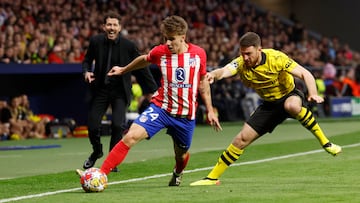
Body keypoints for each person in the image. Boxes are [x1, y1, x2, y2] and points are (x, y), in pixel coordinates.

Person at [77, 15, 222, 186]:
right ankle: (100, 175)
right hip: (161, 108)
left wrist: (210, 110)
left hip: (185, 115)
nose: (167, 43)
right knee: (130, 136)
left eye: (172, 39)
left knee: (181, 154)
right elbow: (144, 59)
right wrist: (124, 69)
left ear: (183, 37)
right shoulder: (160, 52)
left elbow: (203, 82)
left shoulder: (198, 55)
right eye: (165, 39)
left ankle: (178, 173)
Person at [190, 32, 342, 186]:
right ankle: (212, 178)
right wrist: (213, 75)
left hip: (289, 95)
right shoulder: (241, 62)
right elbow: (224, 70)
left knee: (292, 106)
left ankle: (326, 143)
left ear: (259, 50)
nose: (245, 58)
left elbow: (305, 73)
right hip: (269, 104)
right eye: (242, 54)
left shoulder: (276, 58)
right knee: (240, 140)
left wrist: (313, 93)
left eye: (249, 54)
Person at [81, 11, 158, 172]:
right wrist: (87, 71)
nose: (111, 28)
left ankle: (111, 160)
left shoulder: (128, 46)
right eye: (109, 24)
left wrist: (154, 90)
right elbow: (87, 60)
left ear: (120, 27)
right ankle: (97, 151)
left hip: (120, 92)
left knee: (117, 125)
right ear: (104, 26)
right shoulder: (95, 41)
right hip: (101, 90)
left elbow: (142, 68)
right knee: (93, 125)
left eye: (115, 25)